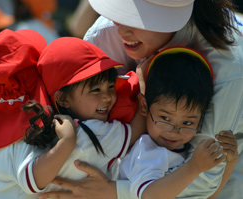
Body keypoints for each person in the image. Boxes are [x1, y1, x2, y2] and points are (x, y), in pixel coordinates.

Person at [36, 0, 243, 199]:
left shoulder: (228, 68)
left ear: (170, 17)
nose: (121, 30)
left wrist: (114, 192)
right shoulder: (105, 34)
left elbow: (203, 183)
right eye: (120, 12)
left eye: (136, 18)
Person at [0, 31, 145, 198]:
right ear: (61, 99)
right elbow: (32, 179)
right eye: (95, 90)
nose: (108, 96)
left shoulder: (5, 136)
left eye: (111, 86)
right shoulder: (88, 134)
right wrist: (67, 142)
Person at [119, 47, 238, 199]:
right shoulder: (146, 151)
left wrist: (230, 161)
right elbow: (149, 195)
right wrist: (193, 167)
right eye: (165, 118)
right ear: (144, 106)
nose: (174, 131)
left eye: (188, 122)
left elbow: (206, 196)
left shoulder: (181, 149)